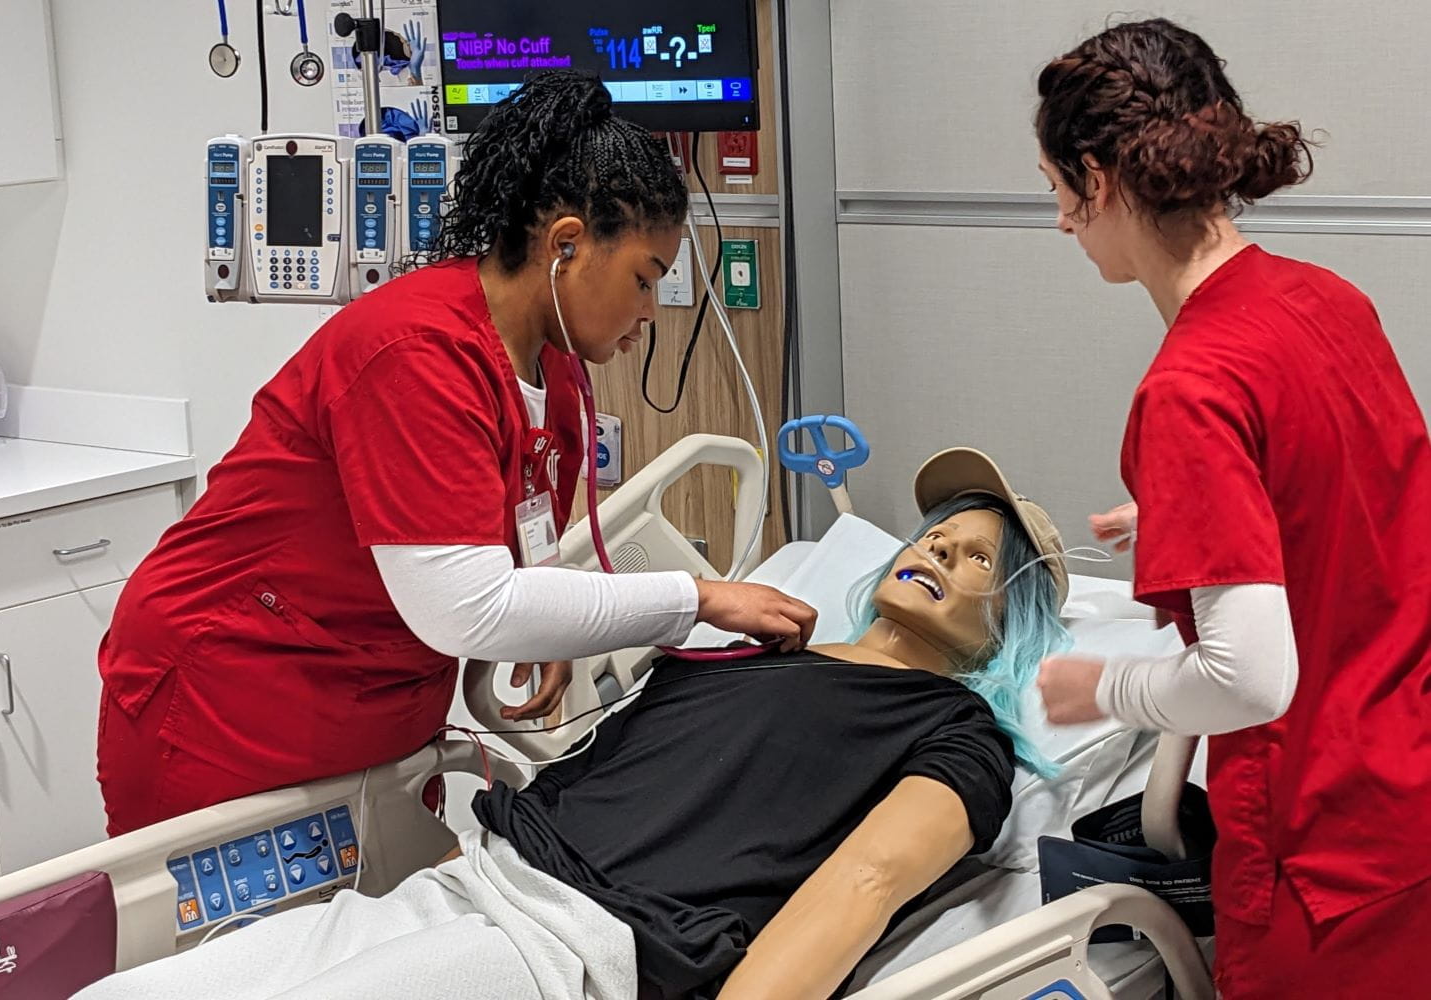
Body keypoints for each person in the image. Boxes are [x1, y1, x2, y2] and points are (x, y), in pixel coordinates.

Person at [96, 71, 816, 837]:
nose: (649, 312)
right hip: (234, 696)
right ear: (566, 244)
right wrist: (698, 599)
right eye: (644, 280)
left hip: (375, 703)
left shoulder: (557, 368)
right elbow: (468, 603)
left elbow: (506, 548)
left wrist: (552, 626)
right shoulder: (415, 354)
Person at [75, 449, 1069, 1000]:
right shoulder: (762, 647)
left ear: (1007, 629)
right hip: (468, 878)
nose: (938, 545)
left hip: (574, 948)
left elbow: (863, 885)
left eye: (977, 556)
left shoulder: (957, 735)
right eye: (937, 530)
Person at [1029, 19, 1431, 997]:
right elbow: (1352, 489)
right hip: (1407, 790)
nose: (1061, 224)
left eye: (1056, 193)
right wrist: (1180, 506)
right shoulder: (1323, 300)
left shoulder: (1190, 386)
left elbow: (1249, 681)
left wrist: (1104, 687)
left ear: (1101, 178)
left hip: (1322, 857)